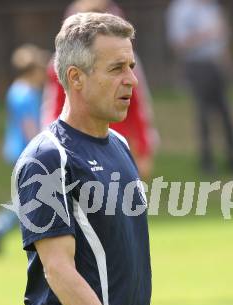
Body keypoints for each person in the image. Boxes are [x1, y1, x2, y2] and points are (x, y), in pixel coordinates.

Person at [16, 12, 186, 305]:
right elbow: (57, 270)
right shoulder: (47, 159)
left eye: (131, 66)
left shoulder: (120, 146)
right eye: (116, 69)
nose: (131, 80)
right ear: (76, 77)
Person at [41, 0, 159, 181]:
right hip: (74, 145)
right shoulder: (59, 63)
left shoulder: (127, 59)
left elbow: (139, 106)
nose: (131, 79)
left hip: (116, 145)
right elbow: (54, 105)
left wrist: (143, 147)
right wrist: (52, 143)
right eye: (115, 69)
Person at [0, 44, 49, 253]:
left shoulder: (17, 89)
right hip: (26, 151)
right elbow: (29, 126)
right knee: (35, 197)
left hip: (17, 149)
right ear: (33, 70)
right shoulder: (25, 93)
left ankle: (0, 226)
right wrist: (41, 150)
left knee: (33, 196)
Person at [166, 0, 233, 173]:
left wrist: (225, 60)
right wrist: (205, 35)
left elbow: (222, 37)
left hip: (216, 64)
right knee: (204, 115)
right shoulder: (181, 9)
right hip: (197, 66)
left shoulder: (212, 7)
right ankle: (207, 162)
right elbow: (178, 43)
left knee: (227, 112)